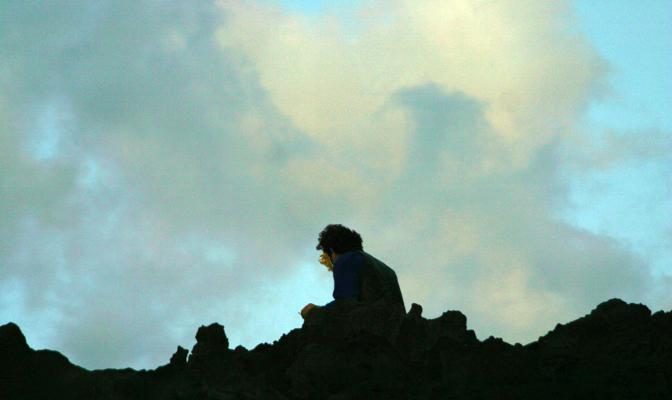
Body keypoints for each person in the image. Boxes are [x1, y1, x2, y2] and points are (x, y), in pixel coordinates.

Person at [300, 224, 406, 319]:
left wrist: (314, 312)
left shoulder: (346, 260)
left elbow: (345, 305)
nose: (332, 264)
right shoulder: (387, 270)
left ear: (331, 250)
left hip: (372, 330)